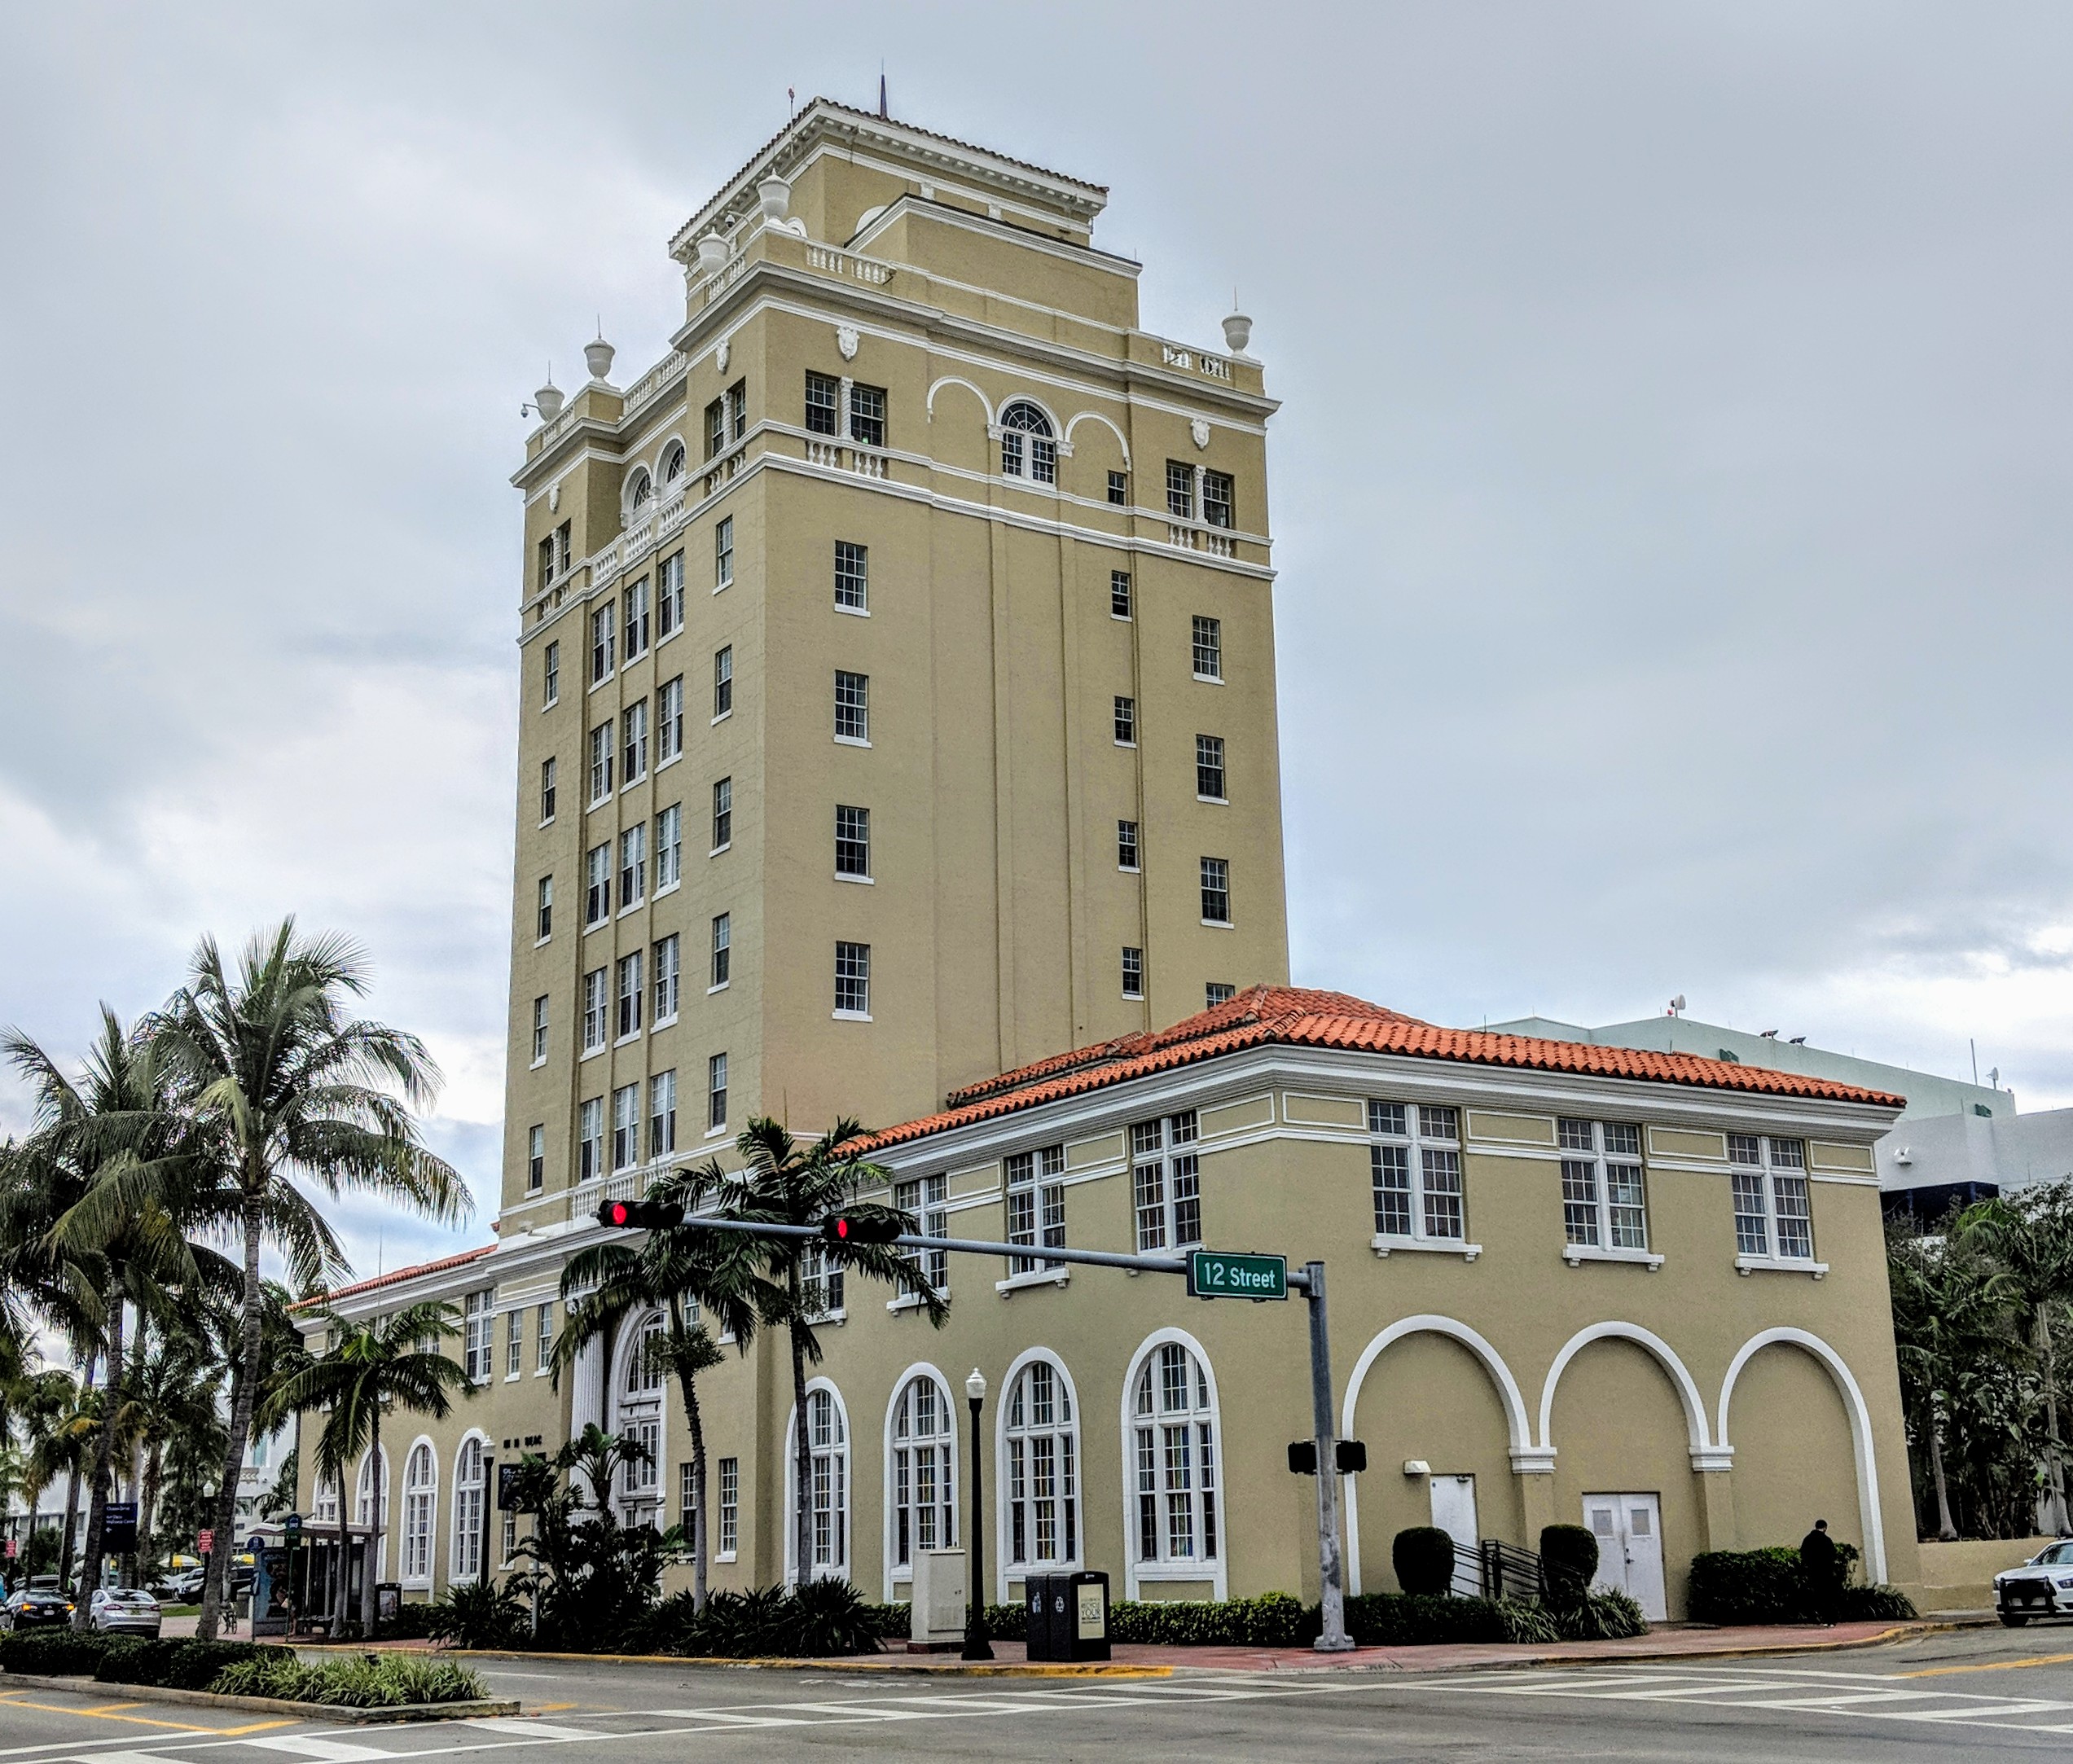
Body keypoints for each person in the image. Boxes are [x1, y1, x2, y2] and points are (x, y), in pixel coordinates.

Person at [1799, 1518, 1842, 1626]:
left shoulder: (1807, 1540)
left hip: (1813, 1572)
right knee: (1829, 1596)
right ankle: (1831, 1620)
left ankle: (1823, 1618)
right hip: (1826, 1572)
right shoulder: (1827, 1540)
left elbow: (1803, 1555)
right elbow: (1833, 1555)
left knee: (1819, 1596)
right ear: (1825, 1528)